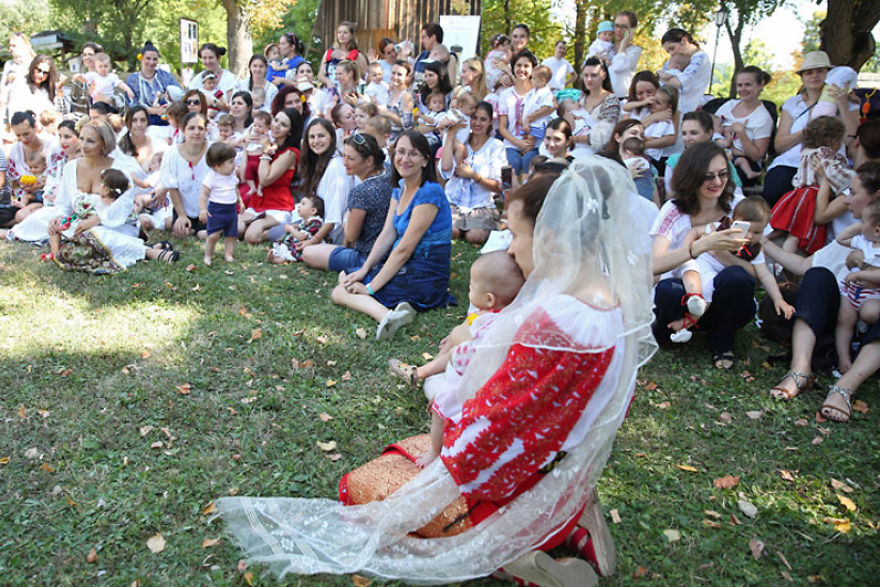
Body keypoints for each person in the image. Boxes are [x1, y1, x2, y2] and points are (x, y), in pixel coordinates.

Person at [215, 156, 655, 586]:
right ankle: (571, 523)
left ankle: (512, 553)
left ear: (553, 239)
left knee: (360, 489)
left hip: (508, 486)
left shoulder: (552, 320)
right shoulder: (614, 305)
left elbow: (497, 420)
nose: (512, 248)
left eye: (517, 235)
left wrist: (442, 451)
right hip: (562, 478)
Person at [764, 162, 880, 423]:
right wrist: (760, 242)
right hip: (839, 320)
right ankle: (800, 370)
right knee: (816, 277)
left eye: (852, 192)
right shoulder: (855, 235)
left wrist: (864, 267)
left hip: (873, 324)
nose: (846, 200)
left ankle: (844, 388)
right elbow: (806, 266)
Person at [331, 131, 454, 340]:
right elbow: (387, 233)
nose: (405, 159)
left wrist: (370, 288)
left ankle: (386, 316)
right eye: (401, 152)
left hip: (425, 274)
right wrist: (365, 268)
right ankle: (397, 311)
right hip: (405, 268)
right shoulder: (400, 188)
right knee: (347, 276)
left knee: (340, 291)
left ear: (425, 160)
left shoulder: (430, 192)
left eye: (413, 154)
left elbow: (404, 250)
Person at [651, 141, 755, 369]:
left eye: (723, 174)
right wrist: (696, 248)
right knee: (669, 291)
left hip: (722, 300)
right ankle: (671, 329)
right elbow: (653, 269)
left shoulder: (739, 207)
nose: (717, 182)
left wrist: (718, 252)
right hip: (683, 296)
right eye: (709, 176)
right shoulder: (674, 210)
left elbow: (755, 273)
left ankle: (722, 340)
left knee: (737, 278)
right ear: (692, 176)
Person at [48, 120, 177, 271]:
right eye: (81, 139)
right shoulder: (70, 168)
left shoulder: (118, 168)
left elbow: (125, 204)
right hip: (82, 226)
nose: (83, 145)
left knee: (94, 234)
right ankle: (139, 247)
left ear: (104, 143)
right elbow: (63, 204)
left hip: (117, 225)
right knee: (63, 233)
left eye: (90, 141)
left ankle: (149, 252)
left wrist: (97, 220)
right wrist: (58, 217)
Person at [388, 250, 525, 390]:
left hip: (465, 383)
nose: (469, 291)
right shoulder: (493, 313)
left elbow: (467, 358)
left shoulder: (491, 325)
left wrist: (455, 348)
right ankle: (429, 369)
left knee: (432, 386)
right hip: (465, 361)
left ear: (489, 299)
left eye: (472, 288)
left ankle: (425, 375)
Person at [670, 196, 794, 343]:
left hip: (725, 280)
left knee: (707, 293)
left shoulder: (755, 249)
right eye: (746, 229)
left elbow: (765, 275)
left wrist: (778, 299)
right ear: (732, 221)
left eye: (757, 232)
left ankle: (689, 322)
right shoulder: (719, 229)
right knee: (697, 280)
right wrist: (687, 247)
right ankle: (690, 313)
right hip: (703, 264)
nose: (750, 236)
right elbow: (695, 231)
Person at [763, 51, 859, 206]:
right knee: (775, 190)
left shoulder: (848, 102)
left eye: (820, 71)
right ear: (802, 77)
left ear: (828, 74)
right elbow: (779, 145)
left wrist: (842, 105)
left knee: (816, 201)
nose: (814, 76)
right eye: (809, 72)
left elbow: (852, 139)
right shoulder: (793, 103)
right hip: (791, 162)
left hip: (829, 164)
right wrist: (807, 133)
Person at [302, 131, 390, 272]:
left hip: (366, 257)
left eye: (351, 158)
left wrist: (346, 217)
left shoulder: (361, 192)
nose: (344, 162)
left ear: (369, 161)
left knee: (308, 253)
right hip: (389, 251)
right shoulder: (388, 171)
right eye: (344, 156)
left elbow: (350, 236)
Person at [769, 116, 850, 255]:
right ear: (832, 140)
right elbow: (835, 174)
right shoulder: (825, 155)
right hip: (812, 196)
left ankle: (769, 248)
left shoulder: (805, 152)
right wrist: (852, 177)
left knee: (789, 228)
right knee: (797, 233)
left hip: (799, 193)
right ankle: (784, 262)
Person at [440, 101, 504, 244]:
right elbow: (445, 169)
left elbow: (499, 187)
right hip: (454, 202)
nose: (477, 123)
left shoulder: (496, 146)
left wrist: (473, 175)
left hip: (481, 205)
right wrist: (449, 134)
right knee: (452, 232)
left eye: (483, 119)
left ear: (489, 123)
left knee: (474, 237)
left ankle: (476, 227)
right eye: (474, 118)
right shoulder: (459, 141)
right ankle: (457, 225)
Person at [240, 108, 303, 244]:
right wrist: (246, 149)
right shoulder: (267, 143)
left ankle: (284, 230)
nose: (276, 126)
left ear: (290, 131)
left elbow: (265, 179)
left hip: (277, 205)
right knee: (237, 228)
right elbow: (244, 176)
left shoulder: (290, 153)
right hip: (257, 201)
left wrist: (265, 151)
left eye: (283, 125)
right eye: (276, 120)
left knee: (251, 236)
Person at [833, 199, 880, 375]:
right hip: (852, 292)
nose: (860, 224)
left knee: (870, 312)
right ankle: (843, 357)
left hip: (873, 294)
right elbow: (841, 238)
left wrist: (860, 274)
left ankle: (863, 332)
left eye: (864, 222)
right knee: (844, 319)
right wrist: (860, 226)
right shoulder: (863, 241)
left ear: (877, 230)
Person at [713, 66, 774, 184]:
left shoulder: (762, 118)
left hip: (745, 164)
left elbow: (756, 156)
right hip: (719, 153)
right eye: (739, 85)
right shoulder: (728, 106)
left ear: (760, 85)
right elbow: (709, 128)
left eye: (748, 85)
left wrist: (741, 133)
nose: (743, 89)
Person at [162, 111, 210, 238]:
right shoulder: (172, 153)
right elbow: (172, 187)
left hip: (209, 210)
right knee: (182, 233)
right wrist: (182, 215)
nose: (196, 132)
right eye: (191, 128)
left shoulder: (213, 151)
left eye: (200, 128)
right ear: (183, 130)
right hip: (184, 209)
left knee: (203, 235)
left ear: (206, 131)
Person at [5, 110, 57, 223]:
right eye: (18, 135)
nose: (23, 139)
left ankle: (16, 223)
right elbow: (13, 182)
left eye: (26, 134)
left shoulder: (52, 147)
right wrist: (21, 184)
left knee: (21, 215)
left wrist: (41, 183)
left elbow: (57, 179)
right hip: (22, 199)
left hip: (44, 198)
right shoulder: (16, 149)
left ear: (35, 128)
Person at [199, 142, 244, 265]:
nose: (234, 165)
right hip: (217, 210)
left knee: (231, 235)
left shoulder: (232, 174)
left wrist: (240, 201)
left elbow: (235, 188)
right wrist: (203, 209)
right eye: (230, 162)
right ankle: (208, 255)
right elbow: (203, 194)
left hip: (231, 210)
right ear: (217, 166)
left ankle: (228, 254)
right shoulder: (212, 177)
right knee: (213, 235)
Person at [497, 50, 538, 176]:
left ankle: (528, 195)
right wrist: (517, 142)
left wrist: (530, 143)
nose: (522, 69)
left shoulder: (540, 93)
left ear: (532, 69)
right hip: (511, 143)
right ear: (513, 68)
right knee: (510, 164)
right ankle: (506, 195)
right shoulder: (505, 95)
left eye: (526, 66)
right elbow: (502, 127)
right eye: (519, 65)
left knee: (529, 162)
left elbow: (544, 122)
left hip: (534, 144)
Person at [570, 57, 620, 157]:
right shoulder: (581, 98)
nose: (589, 79)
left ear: (604, 75)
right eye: (586, 75)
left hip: (598, 154)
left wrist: (573, 139)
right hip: (573, 147)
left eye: (594, 75)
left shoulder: (611, 101)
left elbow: (604, 136)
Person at [658, 29, 711, 117]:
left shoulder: (701, 57)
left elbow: (680, 82)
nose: (672, 53)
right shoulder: (672, 60)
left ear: (684, 40)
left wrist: (661, 77)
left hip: (686, 110)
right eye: (668, 51)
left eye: (672, 48)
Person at [126, 41, 180, 126]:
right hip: (143, 121)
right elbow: (132, 104)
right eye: (148, 58)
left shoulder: (165, 76)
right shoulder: (133, 80)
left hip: (166, 119)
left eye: (155, 59)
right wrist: (153, 110)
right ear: (141, 58)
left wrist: (168, 107)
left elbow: (178, 94)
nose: (151, 62)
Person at [268, 195, 325, 263]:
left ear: (313, 210)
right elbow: (302, 228)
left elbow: (302, 237)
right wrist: (296, 226)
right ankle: (278, 253)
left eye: (303, 204)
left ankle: (281, 259)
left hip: (307, 248)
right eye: (300, 203)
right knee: (286, 242)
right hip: (300, 245)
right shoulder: (306, 221)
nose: (299, 206)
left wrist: (291, 229)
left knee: (294, 251)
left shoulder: (315, 222)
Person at [319, 21, 368, 90]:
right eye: (339, 32)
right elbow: (320, 75)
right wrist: (327, 81)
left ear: (351, 36)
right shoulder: (329, 53)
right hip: (330, 91)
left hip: (348, 92)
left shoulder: (358, 56)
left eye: (345, 33)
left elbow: (366, 76)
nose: (342, 35)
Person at [6, 55, 57, 119]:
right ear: (33, 68)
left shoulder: (48, 89)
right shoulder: (20, 85)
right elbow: (14, 111)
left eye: (45, 72)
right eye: (39, 70)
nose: (41, 75)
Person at [378, 60, 414, 143]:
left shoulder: (405, 96)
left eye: (399, 74)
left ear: (407, 77)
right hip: (386, 139)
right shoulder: (390, 92)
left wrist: (388, 114)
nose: (395, 77)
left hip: (397, 142)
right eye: (393, 73)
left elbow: (408, 126)